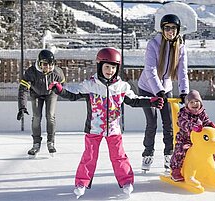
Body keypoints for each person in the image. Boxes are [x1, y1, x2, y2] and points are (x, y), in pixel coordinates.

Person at [48, 47, 164, 198]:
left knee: (119, 156)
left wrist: (151, 102)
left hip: (114, 129)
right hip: (94, 129)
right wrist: (59, 89)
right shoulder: (90, 85)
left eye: (113, 67)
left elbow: (134, 101)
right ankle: (82, 183)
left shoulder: (122, 87)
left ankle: (126, 181)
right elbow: (72, 94)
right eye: (107, 67)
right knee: (89, 156)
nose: (110, 70)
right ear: (99, 66)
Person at [137, 14, 189, 172]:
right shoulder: (153, 44)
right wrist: (157, 91)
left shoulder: (181, 47)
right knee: (152, 123)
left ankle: (169, 155)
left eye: (173, 28)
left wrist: (184, 92)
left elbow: (182, 72)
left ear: (177, 30)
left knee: (169, 124)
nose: (170, 31)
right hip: (147, 88)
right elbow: (150, 70)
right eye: (167, 28)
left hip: (165, 89)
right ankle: (148, 154)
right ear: (162, 29)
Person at [17, 49, 65, 159]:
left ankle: (51, 141)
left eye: (50, 64)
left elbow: (62, 85)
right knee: (37, 117)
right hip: (36, 94)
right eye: (44, 64)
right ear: (39, 63)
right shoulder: (31, 72)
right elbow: (23, 90)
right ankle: (36, 143)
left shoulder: (57, 73)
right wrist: (22, 107)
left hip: (51, 93)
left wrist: (59, 89)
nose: (47, 67)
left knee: (50, 116)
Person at [169, 89, 215, 182]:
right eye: (191, 102)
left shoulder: (202, 112)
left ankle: (213, 169)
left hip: (199, 140)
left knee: (212, 150)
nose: (194, 104)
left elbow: (206, 121)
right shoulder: (183, 113)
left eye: (197, 101)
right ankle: (175, 170)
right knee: (180, 151)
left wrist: (210, 124)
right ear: (187, 104)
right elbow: (182, 123)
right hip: (185, 139)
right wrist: (192, 126)